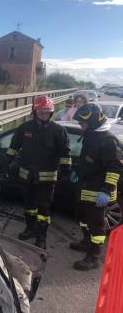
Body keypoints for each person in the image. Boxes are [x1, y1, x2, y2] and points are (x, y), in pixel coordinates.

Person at [7, 95, 71, 249]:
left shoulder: (58, 130)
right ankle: (30, 229)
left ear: (51, 112)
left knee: (44, 209)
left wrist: (65, 171)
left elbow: (65, 154)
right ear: (35, 111)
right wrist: (8, 163)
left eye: (47, 112)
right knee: (29, 205)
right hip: (27, 176)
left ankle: (41, 237)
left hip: (47, 180)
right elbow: (13, 147)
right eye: (41, 111)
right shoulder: (25, 128)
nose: (44, 114)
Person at [69, 103, 121, 270]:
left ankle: (94, 257)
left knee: (97, 225)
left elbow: (115, 167)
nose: (80, 126)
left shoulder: (107, 140)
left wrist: (106, 190)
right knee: (84, 220)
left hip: (98, 191)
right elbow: (87, 159)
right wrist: (77, 170)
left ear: (92, 122)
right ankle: (86, 242)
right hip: (85, 187)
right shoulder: (91, 135)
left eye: (82, 123)